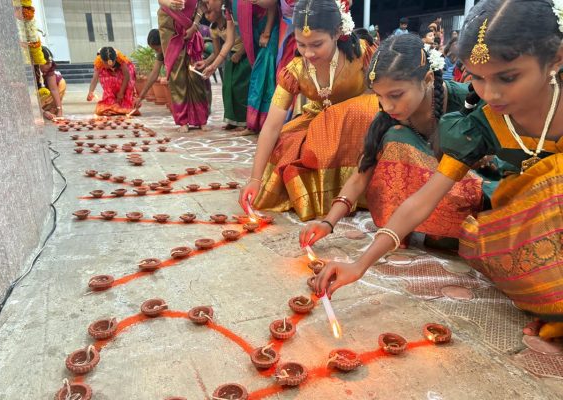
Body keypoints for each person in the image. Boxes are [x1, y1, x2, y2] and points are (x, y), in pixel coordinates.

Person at [314, 0, 563, 340]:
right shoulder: (483, 123)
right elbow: (422, 200)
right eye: (477, 77)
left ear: (556, 58)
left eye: (507, 77)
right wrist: (359, 263)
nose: (490, 93)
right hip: (529, 223)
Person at [299, 34, 498, 250]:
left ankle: (452, 230)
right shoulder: (387, 117)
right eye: (379, 97)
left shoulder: (469, 100)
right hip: (425, 206)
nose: (388, 106)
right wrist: (328, 222)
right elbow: (359, 177)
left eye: (396, 95)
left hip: (478, 197)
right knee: (395, 137)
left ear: (428, 79)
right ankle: (403, 229)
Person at [239, 0, 379, 221]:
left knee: (364, 112)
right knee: (286, 144)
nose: (309, 53)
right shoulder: (294, 71)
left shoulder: (361, 53)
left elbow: (384, 97)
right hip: (318, 121)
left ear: (336, 33)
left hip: (359, 122)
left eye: (317, 44)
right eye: (301, 45)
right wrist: (255, 179)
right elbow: (272, 126)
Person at [157, 0, 211, 132]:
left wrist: (194, 26)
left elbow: (202, 5)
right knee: (177, 74)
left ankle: (201, 119)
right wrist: (170, 4)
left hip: (191, 23)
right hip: (169, 24)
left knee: (195, 72)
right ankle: (182, 121)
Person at [196, 0, 251, 130]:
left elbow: (247, 37)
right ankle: (232, 119)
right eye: (206, 14)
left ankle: (244, 120)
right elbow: (216, 52)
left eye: (209, 12)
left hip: (244, 53)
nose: (207, 16)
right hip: (230, 56)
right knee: (227, 88)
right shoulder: (213, 28)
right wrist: (205, 63)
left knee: (240, 87)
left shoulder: (231, 16)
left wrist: (240, 52)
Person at [236, 0, 280, 135]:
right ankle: (254, 124)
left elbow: (272, 6)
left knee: (265, 75)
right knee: (258, 76)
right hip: (257, 31)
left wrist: (267, 33)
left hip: (270, 30)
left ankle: (266, 124)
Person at [87, 47, 139, 116]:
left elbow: (127, 76)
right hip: (107, 72)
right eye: (106, 63)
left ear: (115, 59)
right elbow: (95, 78)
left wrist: (121, 92)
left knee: (127, 84)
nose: (109, 65)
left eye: (111, 62)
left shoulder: (120, 58)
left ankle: (124, 104)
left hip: (123, 71)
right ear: (102, 60)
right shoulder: (98, 61)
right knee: (108, 82)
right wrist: (91, 92)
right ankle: (112, 102)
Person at [134, 29, 168, 109]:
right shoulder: (161, 53)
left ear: (163, 42)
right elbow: (154, 73)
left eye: (157, 49)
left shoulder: (175, 48)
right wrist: (140, 97)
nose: (156, 52)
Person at [35, 46, 65, 120]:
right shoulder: (31, 68)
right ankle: (42, 110)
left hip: (46, 91)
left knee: (61, 83)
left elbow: (54, 89)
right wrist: (42, 112)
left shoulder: (50, 68)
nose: (50, 65)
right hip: (33, 94)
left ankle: (51, 109)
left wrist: (59, 110)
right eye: (47, 63)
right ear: (37, 62)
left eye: (50, 63)